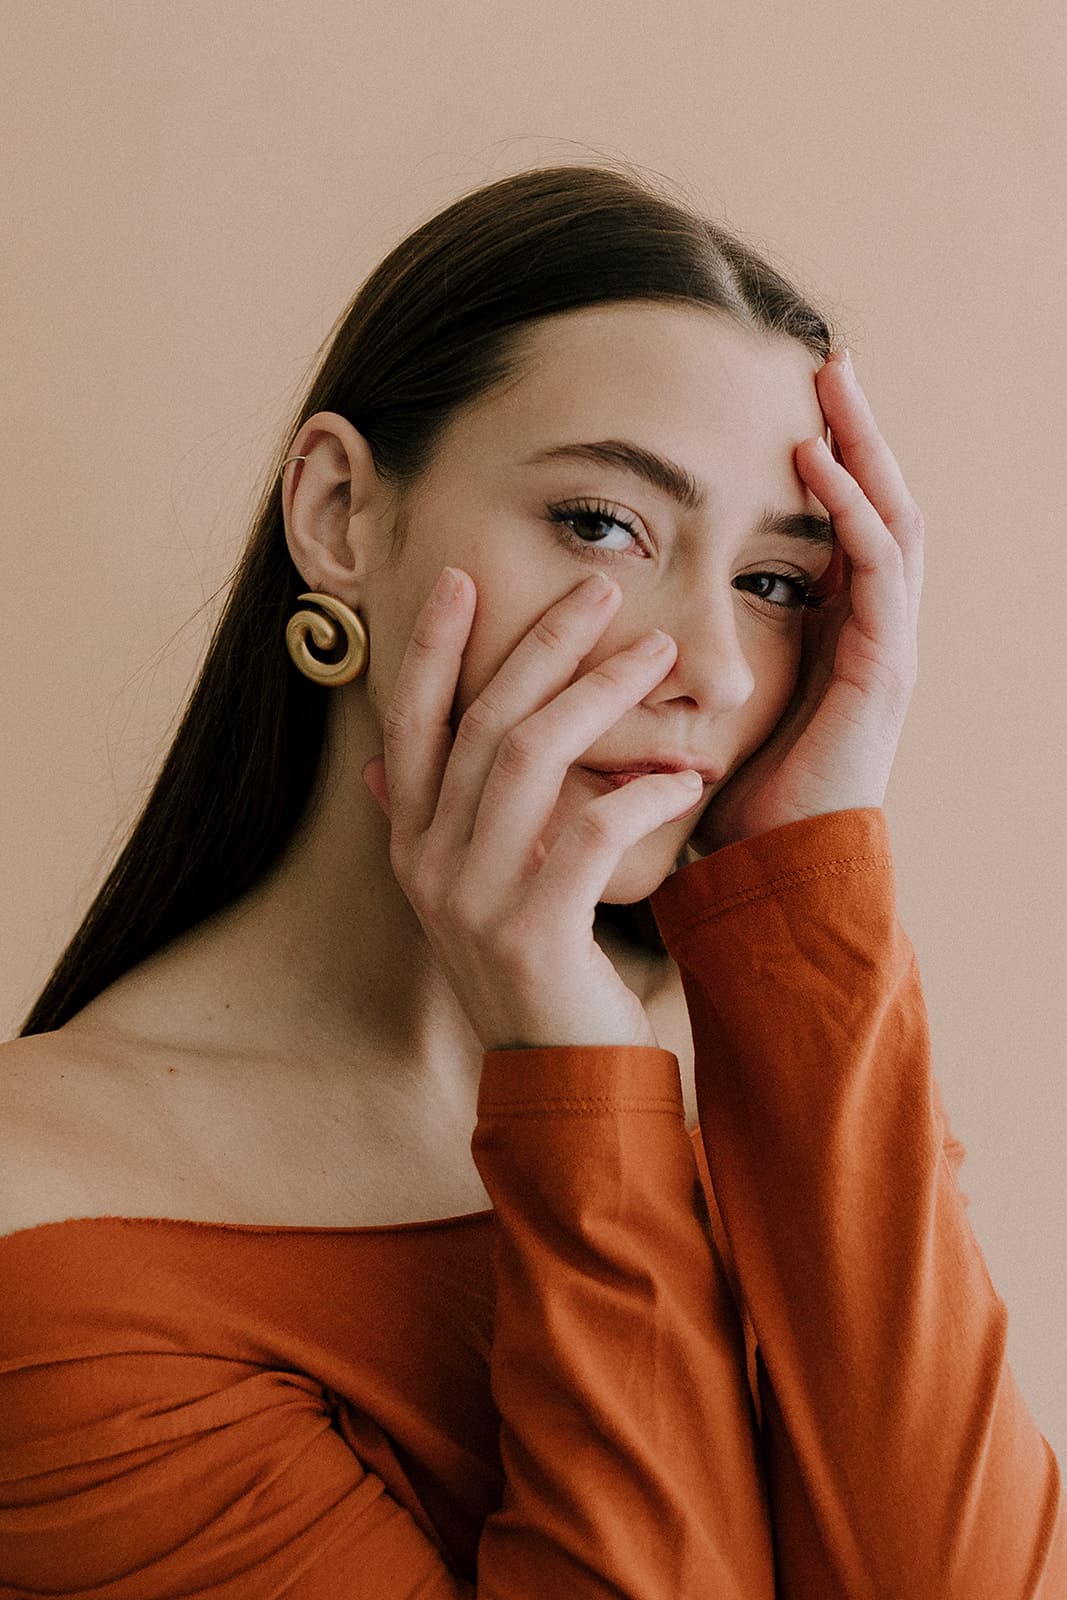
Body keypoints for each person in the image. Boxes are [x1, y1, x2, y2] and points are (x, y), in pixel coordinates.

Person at [0, 161, 1062, 1597]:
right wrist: (567, 1068)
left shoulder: (769, 1070)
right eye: (604, 525)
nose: (714, 668)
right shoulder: (49, 1228)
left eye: (778, 584)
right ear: (339, 516)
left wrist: (809, 882)